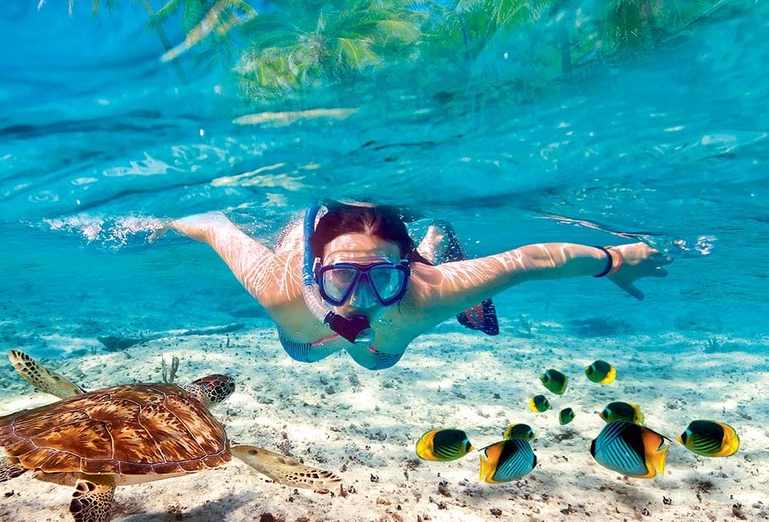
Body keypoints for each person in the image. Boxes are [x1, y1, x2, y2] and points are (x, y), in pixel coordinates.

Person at [158, 201, 671, 370]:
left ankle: (435, 239)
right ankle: (430, 239)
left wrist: (616, 259)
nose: (360, 299)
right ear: (316, 272)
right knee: (305, 352)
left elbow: (528, 261)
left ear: (408, 267)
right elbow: (214, 224)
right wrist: (166, 218)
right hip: (304, 336)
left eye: (383, 278)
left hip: (385, 344)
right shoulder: (280, 288)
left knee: (373, 360)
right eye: (340, 277)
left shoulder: (429, 292)